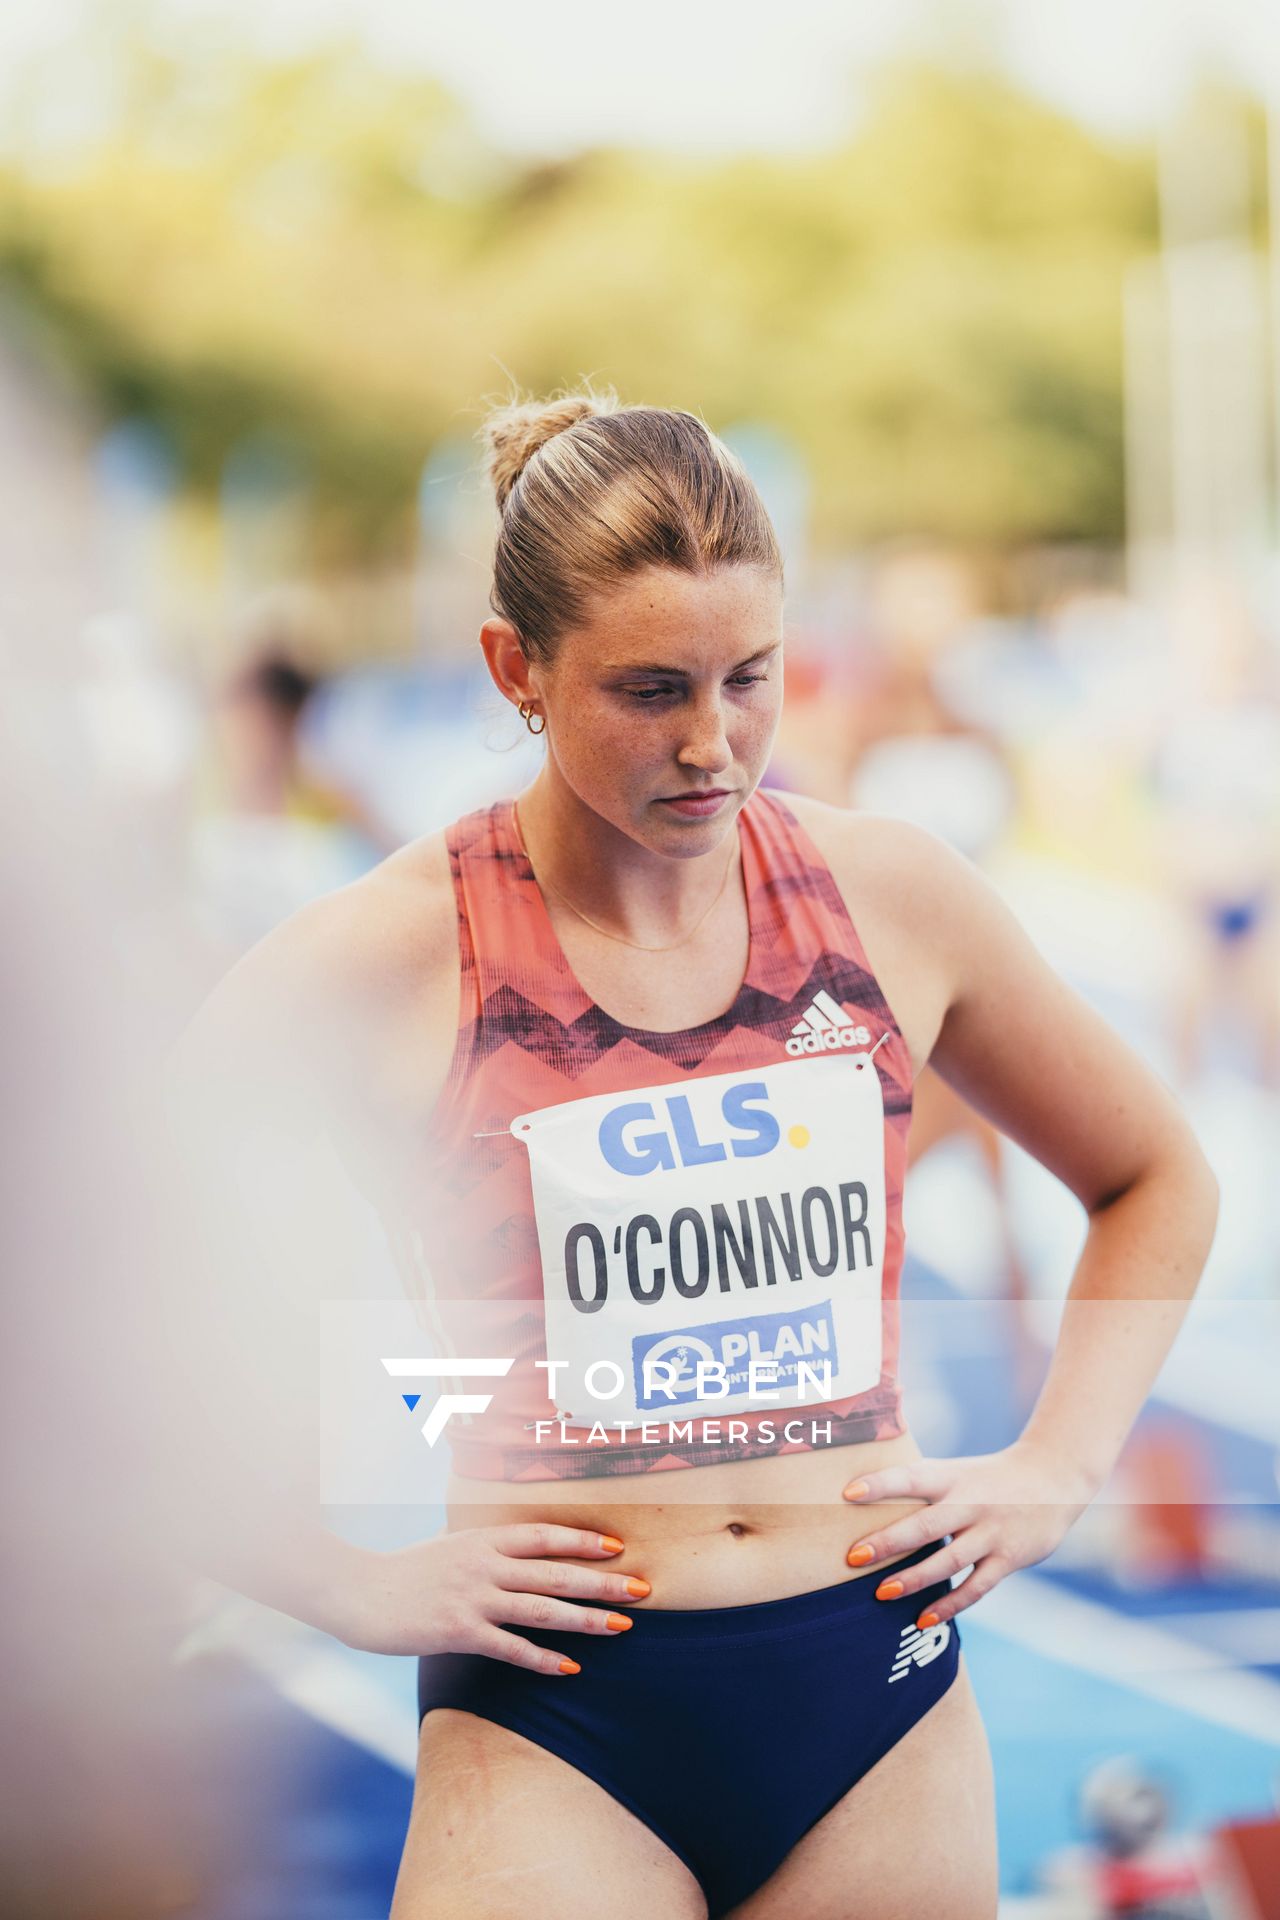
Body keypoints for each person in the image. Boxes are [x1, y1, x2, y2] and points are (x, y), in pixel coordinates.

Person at [169, 387, 1219, 1920]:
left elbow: (1155, 1178)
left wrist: (1060, 1465)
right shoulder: (391, 956)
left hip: (879, 1694)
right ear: (512, 670)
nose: (713, 744)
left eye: (752, 677)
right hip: (560, 1715)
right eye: (650, 689)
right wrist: (335, 1578)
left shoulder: (895, 901)